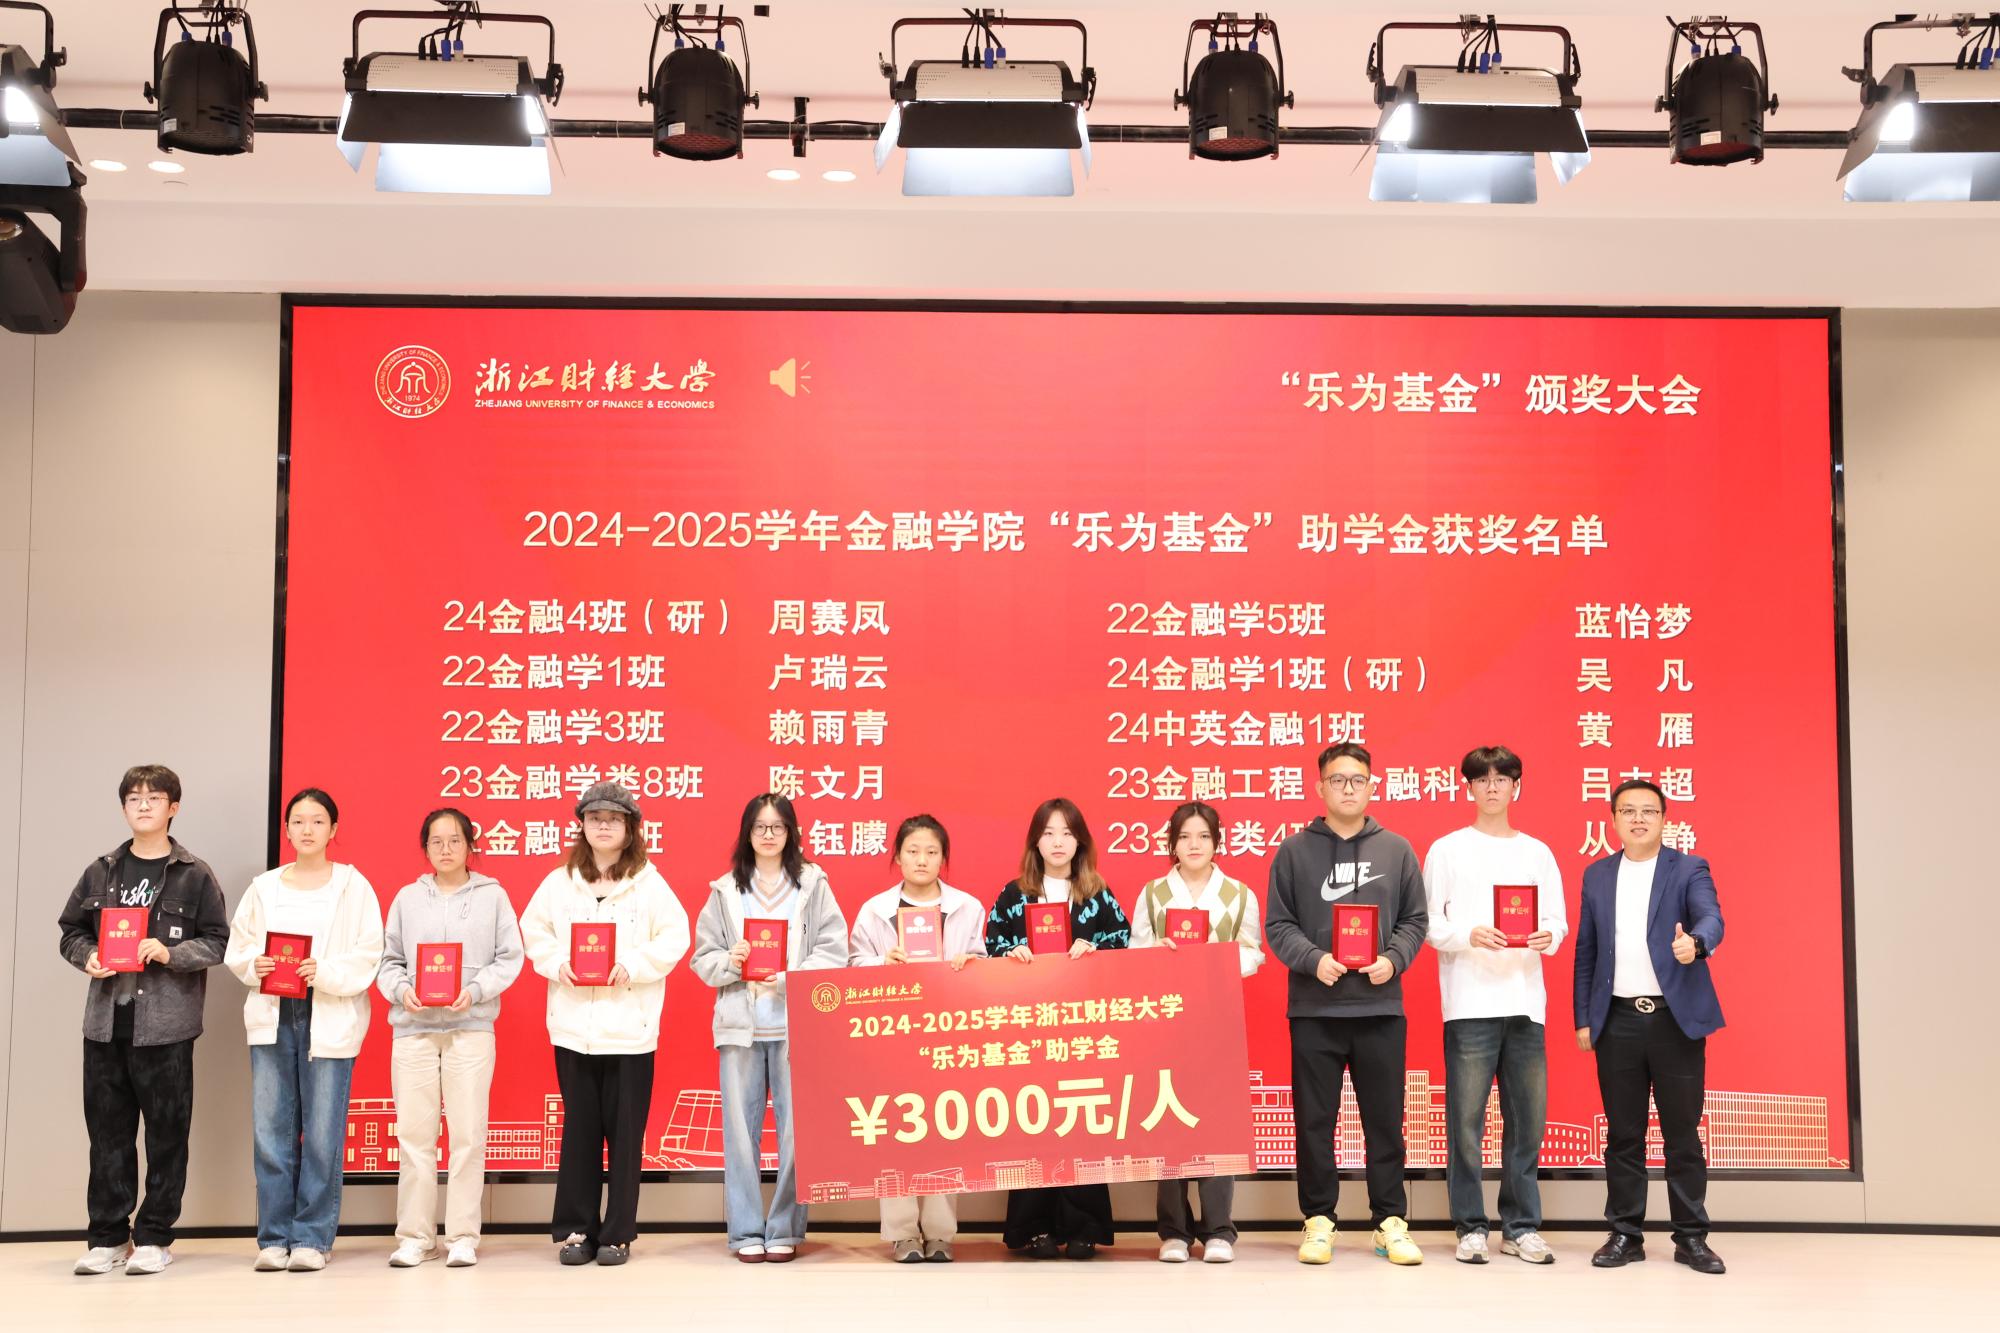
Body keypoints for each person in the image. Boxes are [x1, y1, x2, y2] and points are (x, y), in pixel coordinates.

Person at [57, 764, 229, 1277]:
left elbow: (219, 941)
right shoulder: (101, 870)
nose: (144, 805)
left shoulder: (194, 874)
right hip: (105, 1024)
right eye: (134, 798)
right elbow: (70, 931)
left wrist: (171, 952)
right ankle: (108, 1238)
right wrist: (87, 956)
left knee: (166, 1136)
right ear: (124, 808)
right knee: (107, 1136)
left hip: (166, 1028)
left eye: (155, 797)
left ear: (173, 808)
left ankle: (154, 1236)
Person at [1265, 743, 1428, 1268]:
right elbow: (1278, 925)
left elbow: (1415, 920)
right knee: (1315, 1123)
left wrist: (1393, 960)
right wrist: (1313, 960)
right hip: (1315, 1009)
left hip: (1380, 1008)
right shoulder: (1294, 852)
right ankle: (1319, 1221)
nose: (1348, 788)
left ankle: (1390, 1222)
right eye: (1338, 780)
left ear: (1371, 786)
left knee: (1386, 1123)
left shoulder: (1397, 850)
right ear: (1320, 787)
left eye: (1358, 779)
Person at [520, 781, 690, 1267]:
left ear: (631, 828)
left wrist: (633, 965)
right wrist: (558, 963)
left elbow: (675, 937)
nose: (603, 826)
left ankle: (617, 1233)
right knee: (579, 1134)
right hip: (574, 1028)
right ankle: (577, 1230)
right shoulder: (560, 882)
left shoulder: (649, 883)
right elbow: (534, 931)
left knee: (625, 1137)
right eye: (594, 818)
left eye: (614, 819)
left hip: (630, 1030)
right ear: (583, 826)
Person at [224, 787, 385, 1272]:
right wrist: (258, 963)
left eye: (317, 821)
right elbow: (239, 948)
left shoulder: (353, 886)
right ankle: (274, 1238)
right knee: (270, 1132)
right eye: (298, 821)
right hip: (274, 1012)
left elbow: (369, 952)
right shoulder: (264, 887)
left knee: (321, 1134)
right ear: (288, 829)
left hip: (328, 1011)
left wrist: (325, 971)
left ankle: (313, 1237)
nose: (307, 829)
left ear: (333, 829)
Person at [1574, 778, 1727, 1276]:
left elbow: (1712, 918)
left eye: (1648, 811)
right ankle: (1625, 1234)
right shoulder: (1597, 875)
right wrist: (1584, 1017)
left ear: (1664, 819)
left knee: (1682, 1134)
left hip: (1673, 1021)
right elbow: (1586, 951)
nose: (1638, 819)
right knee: (1623, 1135)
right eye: (1628, 811)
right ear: (1613, 820)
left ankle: (1691, 1237)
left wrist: (1696, 944)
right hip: (1617, 1020)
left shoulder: (1688, 868)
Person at [689, 794, 850, 1263]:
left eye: (778, 826)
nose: (768, 835)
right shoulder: (725, 891)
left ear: (792, 833)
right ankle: (744, 1231)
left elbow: (833, 951)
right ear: (747, 832)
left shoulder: (813, 885)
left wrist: (785, 979)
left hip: (795, 1026)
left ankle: (784, 1228)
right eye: (759, 826)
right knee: (740, 1136)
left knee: (797, 1134)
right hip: (740, 1027)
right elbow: (703, 958)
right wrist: (731, 961)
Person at [1423, 746, 1567, 1266]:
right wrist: (1469, 934)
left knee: (1527, 1122)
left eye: (1501, 779)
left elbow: (1557, 920)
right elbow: (1428, 924)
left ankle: (1521, 1227)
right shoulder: (1447, 849)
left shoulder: (1537, 852)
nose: (1491, 787)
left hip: (1525, 1002)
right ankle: (1470, 1226)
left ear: (1515, 787)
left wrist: (1546, 936)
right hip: (1469, 1002)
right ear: (1468, 787)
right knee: (1465, 1124)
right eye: (1481, 779)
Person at [375, 808, 524, 1269]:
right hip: (414, 1030)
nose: (445, 849)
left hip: (470, 1028)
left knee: (468, 1136)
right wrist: (401, 990)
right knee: (413, 1138)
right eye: (436, 841)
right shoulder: (407, 898)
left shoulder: (493, 896)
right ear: (425, 848)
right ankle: (416, 1237)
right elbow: (388, 961)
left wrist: (475, 990)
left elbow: (510, 957)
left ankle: (462, 1236)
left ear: (470, 845)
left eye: (455, 840)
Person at [985, 797, 1132, 1261]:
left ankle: (1085, 1227)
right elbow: (991, 945)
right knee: (1032, 1124)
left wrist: (1095, 951)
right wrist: (1010, 955)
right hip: (1028, 1030)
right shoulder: (1013, 894)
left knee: (1081, 1120)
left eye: (1067, 833)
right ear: (1035, 841)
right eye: (1048, 832)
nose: (1057, 842)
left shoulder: (1097, 893)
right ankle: (1033, 1228)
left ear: (1080, 841)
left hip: (1084, 1030)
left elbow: (1123, 942)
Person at [1129, 799, 1264, 1264]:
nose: (1194, 845)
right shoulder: (1153, 894)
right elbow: (1134, 953)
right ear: (1172, 844)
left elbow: (1254, 953)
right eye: (1184, 837)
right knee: (1167, 1118)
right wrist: (1159, 954)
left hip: (1216, 1019)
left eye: (1203, 836)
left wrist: (1216, 956)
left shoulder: (1239, 894)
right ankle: (1173, 1230)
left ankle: (1219, 1230)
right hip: (1165, 1022)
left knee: (1217, 1121)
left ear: (1216, 842)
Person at [848, 814, 985, 1263]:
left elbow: (985, 963)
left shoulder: (968, 907)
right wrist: (881, 963)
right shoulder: (874, 910)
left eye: (931, 852)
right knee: (897, 1130)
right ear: (897, 857)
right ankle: (903, 1233)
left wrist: (969, 963)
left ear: (944, 858)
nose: (922, 859)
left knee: (946, 1127)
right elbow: (852, 966)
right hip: (893, 1035)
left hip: (948, 1032)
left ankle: (941, 1233)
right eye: (912, 851)